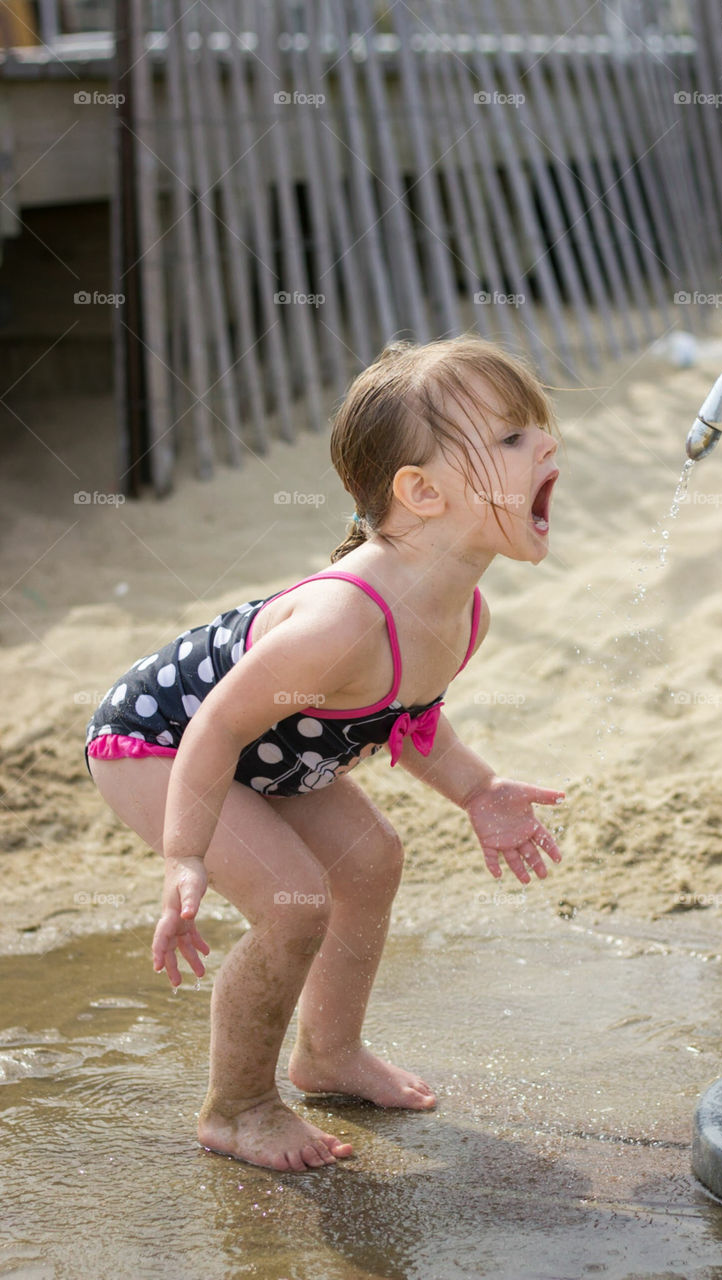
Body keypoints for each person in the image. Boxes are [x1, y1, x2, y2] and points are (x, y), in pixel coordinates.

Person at [84, 336, 565, 1173]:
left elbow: (409, 720)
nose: (547, 445)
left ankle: (329, 1055)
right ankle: (237, 1106)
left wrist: (477, 789)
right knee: (295, 900)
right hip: (160, 745)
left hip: (273, 754)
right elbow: (214, 730)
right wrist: (185, 855)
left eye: (538, 429)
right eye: (512, 438)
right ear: (419, 492)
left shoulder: (459, 611)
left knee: (372, 860)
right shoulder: (342, 621)